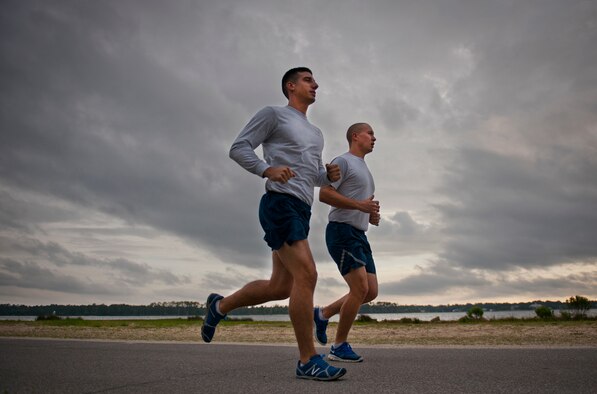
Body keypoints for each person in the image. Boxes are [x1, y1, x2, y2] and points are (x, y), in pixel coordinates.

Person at [201, 67, 347, 381]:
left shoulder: (316, 132)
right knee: (308, 274)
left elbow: (310, 175)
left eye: (315, 80)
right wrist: (267, 169)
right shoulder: (274, 115)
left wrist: (327, 176)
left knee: (280, 287)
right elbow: (238, 148)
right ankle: (307, 360)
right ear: (290, 86)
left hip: (301, 208)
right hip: (280, 204)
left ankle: (219, 307)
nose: (316, 84)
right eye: (308, 79)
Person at [313, 122, 379, 363]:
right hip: (341, 232)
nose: (374, 137)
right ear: (355, 136)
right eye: (370, 133)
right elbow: (324, 194)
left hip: (359, 234)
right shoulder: (343, 161)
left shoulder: (365, 170)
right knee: (359, 288)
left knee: (370, 292)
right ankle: (339, 346)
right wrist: (360, 206)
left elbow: (360, 203)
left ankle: (323, 314)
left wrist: (370, 214)